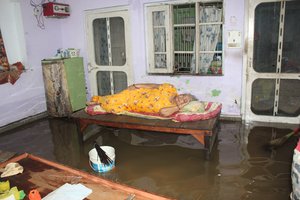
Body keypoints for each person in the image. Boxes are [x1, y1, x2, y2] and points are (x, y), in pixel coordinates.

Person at [90, 83, 194, 117]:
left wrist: (178, 107)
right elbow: (153, 86)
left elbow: (163, 113)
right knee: (115, 97)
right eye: (184, 95)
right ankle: (98, 100)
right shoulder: (170, 88)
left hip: (130, 105)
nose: (181, 98)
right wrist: (137, 85)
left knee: (111, 104)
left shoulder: (171, 108)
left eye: (185, 101)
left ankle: (99, 100)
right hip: (136, 93)